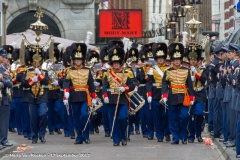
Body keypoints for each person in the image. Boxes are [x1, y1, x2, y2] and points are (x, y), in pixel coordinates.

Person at [63, 43, 97, 144]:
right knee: (76, 117)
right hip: (73, 96)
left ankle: (86, 136)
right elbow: (66, 82)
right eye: (76, 59)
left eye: (80, 59)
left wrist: (94, 96)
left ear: (82, 60)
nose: (78, 61)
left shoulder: (87, 70)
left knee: (84, 115)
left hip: (84, 96)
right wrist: (66, 93)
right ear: (74, 60)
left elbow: (91, 84)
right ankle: (79, 136)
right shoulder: (69, 70)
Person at [161, 43, 194, 144]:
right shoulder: (167, 71)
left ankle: (183, 135)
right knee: (173, 118)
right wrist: (165, 95)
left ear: (180, 60)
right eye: (175, 59)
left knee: (184, 116)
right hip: (172, 96)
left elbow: (189, 85)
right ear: (172, 60)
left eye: (178, 59)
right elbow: (164, 84)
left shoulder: (186, 70)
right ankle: (175, 137)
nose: (176, 61)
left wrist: (192, 97)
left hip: (184, 96)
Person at [102, 45, 134, 146]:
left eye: (117, 63)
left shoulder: (127, 72)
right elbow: (104, 87)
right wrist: (105, 96)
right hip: (111, 98)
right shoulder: (107, 73)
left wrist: (125, 88)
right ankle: (116, 140)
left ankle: (123, 136)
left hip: (123, 98)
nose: (116, 64)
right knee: (114, 120)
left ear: (120, 63)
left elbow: (132, 85)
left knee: (123, 117)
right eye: (114, 63)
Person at [18, 49, 49, 143]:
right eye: (34, 60)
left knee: (43, 114)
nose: (36, 62)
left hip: (42, 95)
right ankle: (34, 136)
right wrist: (33, 80)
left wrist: (40, 74)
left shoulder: (44, 71)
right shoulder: (27, 71)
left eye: (38, 60)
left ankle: (42, 134)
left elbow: (46, 81)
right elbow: (24, 84)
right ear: (31, 61)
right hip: (31, 95)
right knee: (33, 117)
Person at [146, 42, 171, 142]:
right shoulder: (152, 69)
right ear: (156, 59)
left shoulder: (169, 69)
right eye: (158, 58)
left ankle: (167, 132)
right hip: (156, 94)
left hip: (166, 94)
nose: (160, 59)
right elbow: (149, 83)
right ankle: (160, 135)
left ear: (164, 58)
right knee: (157, 116)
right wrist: (149, 94)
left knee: (166, 115)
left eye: (162, 57)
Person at [186, 43, 207, 143]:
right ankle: (191, 135)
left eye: (195, 60)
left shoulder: (202, 70)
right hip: (190, 94)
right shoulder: (186, 70)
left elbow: (204, 80)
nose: (193, 61)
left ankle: (198, 134)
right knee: (190, 115)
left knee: (199, 114)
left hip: (199, 94)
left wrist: (196, 73)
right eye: (191, 60)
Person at [12, 48, 31, 140]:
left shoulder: (26, 68)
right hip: (17, 91)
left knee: (26, 113)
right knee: (18, 112)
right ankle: (20, 128)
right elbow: (13, 79)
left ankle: (25, 129)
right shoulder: (15, 67)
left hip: (25, 91)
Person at [0, 47, 13, 148]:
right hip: (2, 96)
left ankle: (3, 139)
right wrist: (7, 81)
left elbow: (10, 82)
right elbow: (6, 83)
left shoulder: (5, 68)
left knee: (4, 120)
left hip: (5, 97)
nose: (6, 59)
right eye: (4, 57)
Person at [99, 46, 111, 137]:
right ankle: (107, 130)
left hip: (115, 90)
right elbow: (100, 80)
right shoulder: (102, 69)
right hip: (105, 90)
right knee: (105, 112)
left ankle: (113, 129)